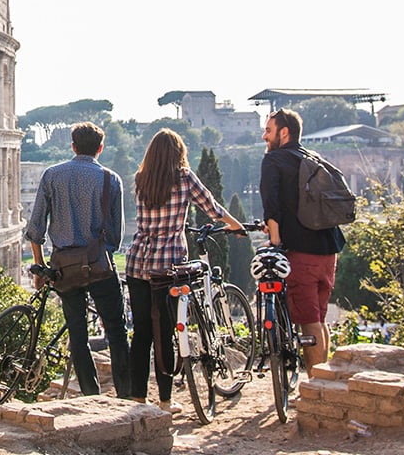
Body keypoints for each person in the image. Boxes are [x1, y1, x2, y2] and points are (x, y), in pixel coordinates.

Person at [125, 128, 244, 413]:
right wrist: (235, 225)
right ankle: (165, 402)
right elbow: (212, 208)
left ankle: (138, 398)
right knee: (164, 332)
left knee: (141, 332)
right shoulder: (184, 177)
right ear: (178, 153)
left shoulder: (141, 179)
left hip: (138, 262)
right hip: (168, 267)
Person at [24, 121, 131, 399]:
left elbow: (35, 229)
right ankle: (126, 396)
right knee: (117, 332)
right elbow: (116, 237)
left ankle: (90, 396)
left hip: (64, 267)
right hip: (99, 265)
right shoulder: (111, 179)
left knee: (78, 335)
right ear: (101, 148)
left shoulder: (52, 175)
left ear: (72, 146)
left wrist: (40, 268)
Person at [259, 108, 345, 377]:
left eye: (269, 130)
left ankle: (314, 388)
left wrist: (274, 244)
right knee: (319, 319)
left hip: (301, 252)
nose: (264, 136)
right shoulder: (312, 157)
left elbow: (271, 207)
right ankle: (323, 382)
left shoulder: (274, 161)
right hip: (329, 249)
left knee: (309, 323)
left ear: (284, 133)